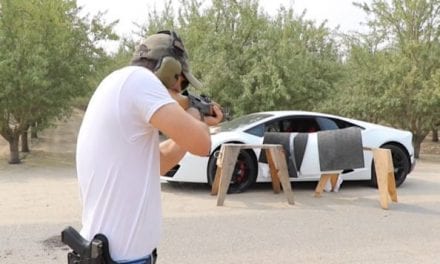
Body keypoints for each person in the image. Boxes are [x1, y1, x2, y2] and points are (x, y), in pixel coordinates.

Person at [75, 30, 223, 263]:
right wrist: (196, 112)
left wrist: (195, 118)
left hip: (116, 255)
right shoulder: (139, 81)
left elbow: (160, 162)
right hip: (119, 259)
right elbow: (203, 144)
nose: (180, 88)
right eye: (182, 81)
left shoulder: (120, 84)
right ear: (170, 69)